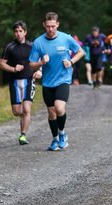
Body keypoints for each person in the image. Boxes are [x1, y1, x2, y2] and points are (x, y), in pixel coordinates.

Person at [29, 12, 84, 151]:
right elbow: (31, 64)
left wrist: (71, 62)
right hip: (48, 82)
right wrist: (41, 62)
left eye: (53, 26)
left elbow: (81, 52)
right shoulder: (38, 42)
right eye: (48, 26)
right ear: (44, 25)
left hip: (63, 79)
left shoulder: (66, 38)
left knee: (59, 108)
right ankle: (55, 139)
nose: (50, 29)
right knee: (51, 112)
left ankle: (62, 133)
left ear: (57, 24)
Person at [0, 20, 42, 145]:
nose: (18, 34)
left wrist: (39, 71)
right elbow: (1, 64)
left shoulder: (32, 46)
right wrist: (13, 69)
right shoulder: (9, 47)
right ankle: (24, 118)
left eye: (20, 31)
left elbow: (40, 60)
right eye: (16, 31)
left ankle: (23, 135)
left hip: (29, 80)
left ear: (25, 32)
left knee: (27, 109)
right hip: (14, 82)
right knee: (17, 112)